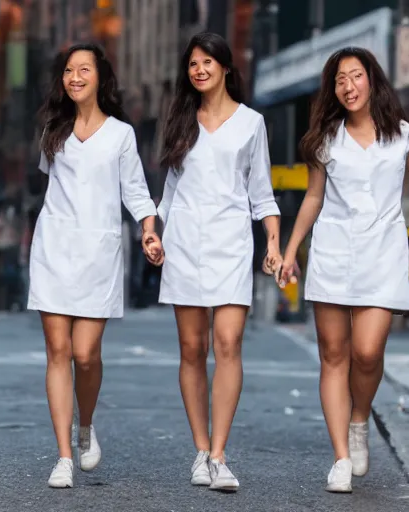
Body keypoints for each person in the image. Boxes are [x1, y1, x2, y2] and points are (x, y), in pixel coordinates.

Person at [278, 47, 409, 493]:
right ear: (334, 89)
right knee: (334, 356)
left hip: (383, 254)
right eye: (340, 80)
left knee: (367, 352)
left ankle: (360, 418)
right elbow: (314, 198)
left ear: (371, 80)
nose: (348, 86)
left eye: (356, 76)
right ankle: (341, 456)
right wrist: (290, 250)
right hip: (332, 253)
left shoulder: (402, 135)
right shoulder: (326, 139)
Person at [30, 43, 164, 489]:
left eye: (83, 69)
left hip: (99, 254)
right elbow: (54, 186)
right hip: (53, 249)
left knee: (86, 355)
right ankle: (63, 456)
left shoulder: (121, 134)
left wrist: (149, 228)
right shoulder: (53, 128)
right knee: (58, 352)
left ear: (100, 77)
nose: (75, 77)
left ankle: (84, 426)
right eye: (68, 70)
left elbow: (136, 192)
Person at [157, 32, 282, 492]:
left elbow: (261, 192)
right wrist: (155, 231)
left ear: (226, 67)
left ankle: (219, 454)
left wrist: (272, 242)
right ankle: (199, 448)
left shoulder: (252, 123)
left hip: (231, 246)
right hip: (185, 245)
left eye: (208, 61)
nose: (200, 69)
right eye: (193, 63)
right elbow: (170, 188)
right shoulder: (180, 120)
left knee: (227, 344)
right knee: (192, 349)